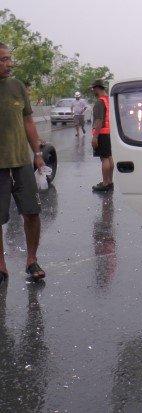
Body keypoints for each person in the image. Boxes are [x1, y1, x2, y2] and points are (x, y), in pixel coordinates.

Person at [0, 42, 46, 283]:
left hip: (21, 162)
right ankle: (1, 265)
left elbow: (28, 121)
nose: (9, 64)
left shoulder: (17, 86)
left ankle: (31, 260)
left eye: (9, 59)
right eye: (3, 60)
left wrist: (37, 153)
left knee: (32, 213)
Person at [90, 79, 114, 192]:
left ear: (97, 88)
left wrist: (95, 137)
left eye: (93, 89)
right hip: (109, 132)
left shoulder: (100, 102)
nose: (93, 91)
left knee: (104, 159)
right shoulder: (109, 100)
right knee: (109, 157)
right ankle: (110, 181)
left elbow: (99, 121)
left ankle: (105, 183)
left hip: (102, 133)